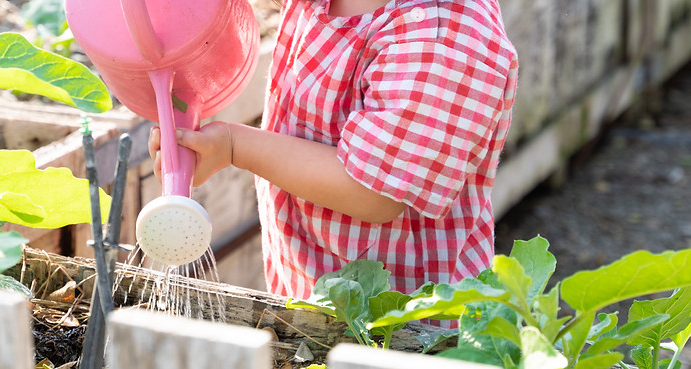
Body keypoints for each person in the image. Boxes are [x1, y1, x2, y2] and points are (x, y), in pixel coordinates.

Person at [148, 0, 519, 304]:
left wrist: (233, 146)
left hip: (404, 322)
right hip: (314, 284)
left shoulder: (444, 37)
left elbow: (372, 192)